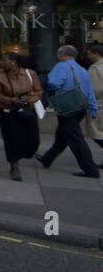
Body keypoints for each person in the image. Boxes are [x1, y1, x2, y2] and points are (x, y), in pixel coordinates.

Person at [37, 44, 100, 178]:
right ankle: (47, 158)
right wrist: (93, 109)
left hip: (67, 106)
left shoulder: (61, 66)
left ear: (61, 54)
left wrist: (45, 82)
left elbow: (54, 83)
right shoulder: (83, 69)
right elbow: (90, 91)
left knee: (75, 139)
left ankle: (90, 169)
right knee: (62, 135)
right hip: (80, 106)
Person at [0, 52, 41, 180]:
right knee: (11, 139)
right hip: (8, 111)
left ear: (13, 62)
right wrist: (10, 100)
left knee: (34, 139)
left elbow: (38, 91)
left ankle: (26, 153)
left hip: (26, 110)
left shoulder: (30, 74)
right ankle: (14, 167)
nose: (1, 62)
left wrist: (28, 99)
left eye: (4, 60)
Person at [86, 45, 103, 153]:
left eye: (89, 53)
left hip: (99, 104)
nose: (88, 56)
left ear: (96, 53)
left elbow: (95, 89)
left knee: (96, 132)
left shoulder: (95, 68)